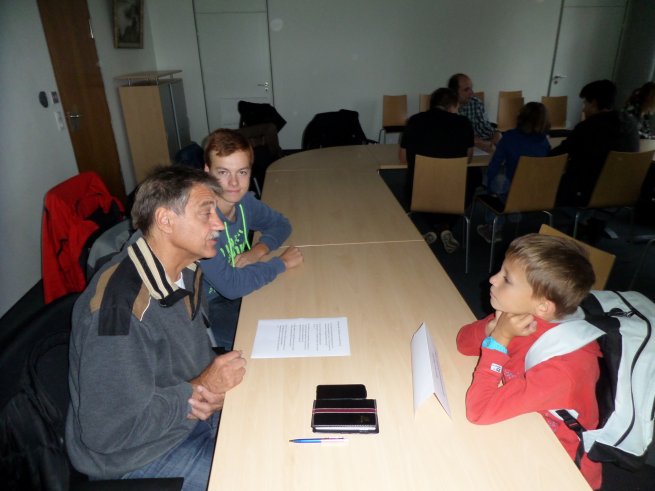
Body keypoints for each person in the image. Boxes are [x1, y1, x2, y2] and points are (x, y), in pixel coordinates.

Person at [66, 166, 247, 490]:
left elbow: (188, 364)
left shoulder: (185, 268)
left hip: (183, 413)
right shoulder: (120, 313)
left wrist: (205, 390)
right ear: (165, 221)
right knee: (257, 474)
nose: (219, 223)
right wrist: (197, 390)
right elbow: (108, 433)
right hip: (137, 457)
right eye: (206, 213)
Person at [456, 233, 602, 489]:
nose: (492, 279)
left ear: (543, 307)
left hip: (560, 467)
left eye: (506, 279)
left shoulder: (561, 370)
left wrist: (498, 341)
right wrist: (492, 328)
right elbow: (463, 343)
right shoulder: (522, 316)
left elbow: (478, 411)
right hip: (523, 428)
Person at [200, 129, 303, 351]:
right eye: (223, 172)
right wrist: (281, 263)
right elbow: (230, 286)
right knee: (271, 342)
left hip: (239, 287)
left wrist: (258, 250)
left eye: (242, 172)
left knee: (296, 305)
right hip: (210, 305)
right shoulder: (200, 222)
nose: (234, 183)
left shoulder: (243, 202)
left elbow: (281, 224)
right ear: (207, 172)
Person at [399, 87, 474, 253]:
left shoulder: (414, 121)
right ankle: (445, 226)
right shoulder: (463, 123)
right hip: (453, 192)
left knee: (416, 185)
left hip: (419, 191)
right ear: (452, 106)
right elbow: (468, 159)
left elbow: (403, 158)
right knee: (473, 178)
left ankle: (432, 228)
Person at [551, 79, 639, 207]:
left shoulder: (588, 127)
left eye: (585, 103)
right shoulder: (631, 125)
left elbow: (560, 153)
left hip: (587, 191)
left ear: (593, 103)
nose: (584, 108)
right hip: (622, 189)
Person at [476, 102, 551, 243]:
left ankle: (494, 227)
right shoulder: (545, 143)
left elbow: (494, 166)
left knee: (494, 179)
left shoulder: (510, 137)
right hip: (537, 195)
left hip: (512, 195)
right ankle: (516, 218)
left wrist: (491, 190)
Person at [448, 73, 502, 151]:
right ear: (454, 92)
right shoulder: (446, 108)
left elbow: (483, 128)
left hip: (478, 146)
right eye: (466, 90)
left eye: (471, 88)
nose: (472, 93)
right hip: (457, 149)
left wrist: (496, 134)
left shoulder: (476, 103)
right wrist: (472, 140)